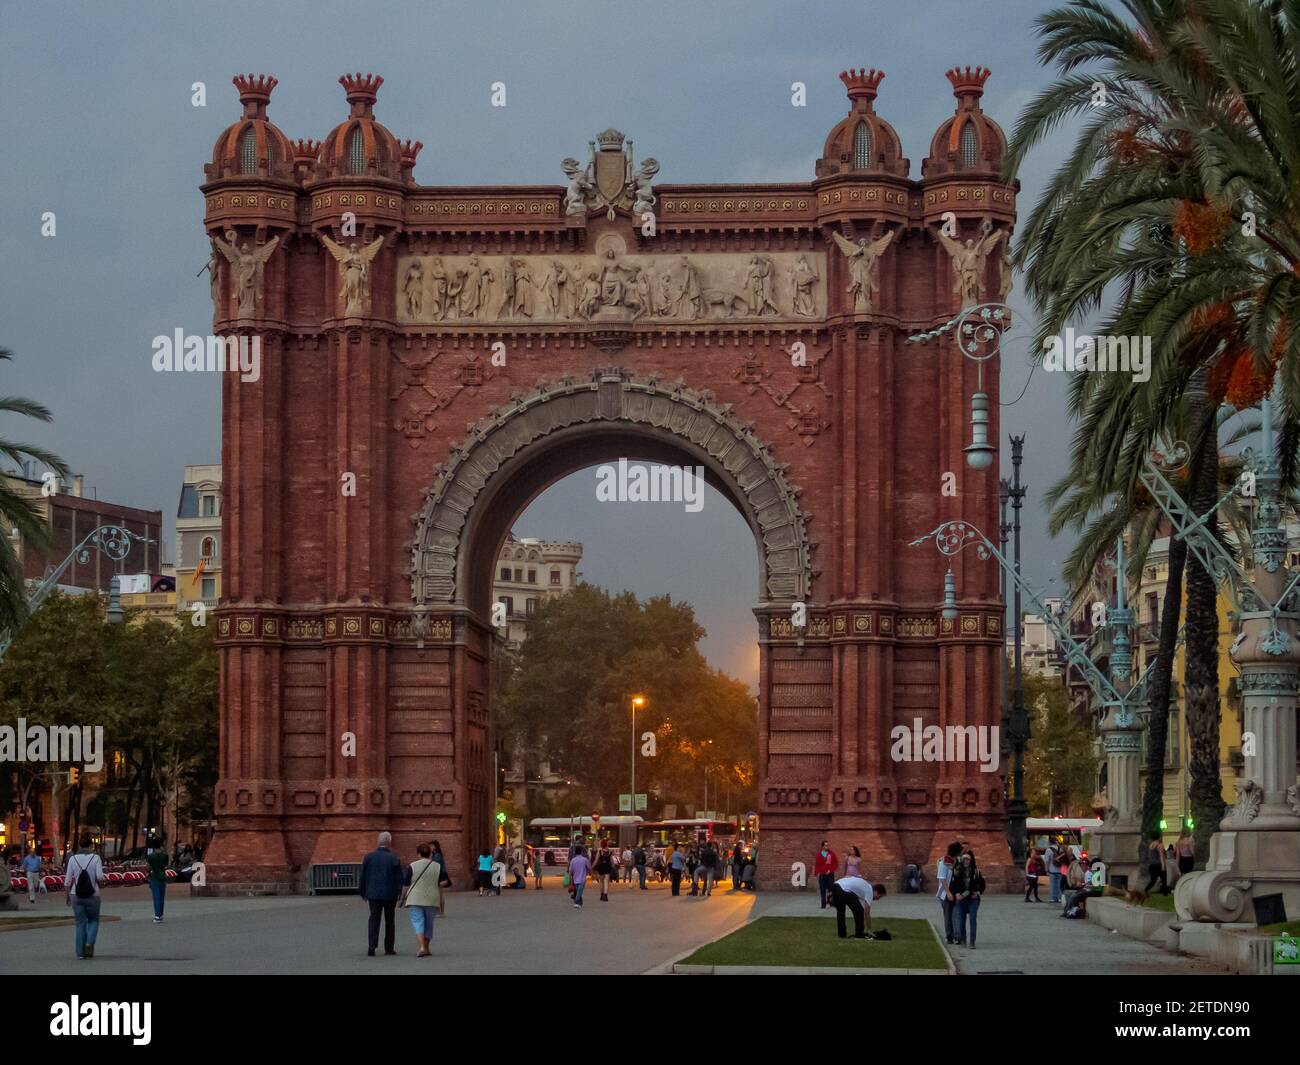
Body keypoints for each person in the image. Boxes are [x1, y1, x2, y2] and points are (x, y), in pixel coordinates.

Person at [359, 831, 404, 956]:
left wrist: (363, 892)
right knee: (389, 920)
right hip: (390, 894)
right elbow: (399, 878)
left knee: (374, 918)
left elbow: (363, 876)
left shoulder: (368, 857)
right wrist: (399, 893)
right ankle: (389, 948)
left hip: (373, 893)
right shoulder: (394, 858)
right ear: (389, 842)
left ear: (378, 842)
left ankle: (371, 946)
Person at [63, 833, 104, 960]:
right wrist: (100, 885)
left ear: (79, 845)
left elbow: (67, 881)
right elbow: (100, 877)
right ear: (91, 845)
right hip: (93, 894)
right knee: (94, 920)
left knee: (80, 923)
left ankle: (80, 953)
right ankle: (89, 943)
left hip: (76, 894)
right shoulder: (96, 858)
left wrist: (68, 897)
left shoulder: (72, 859)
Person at [401, 843, 445, 957]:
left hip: (415, 898)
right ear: (430, 853)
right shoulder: (437, 866)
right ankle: (426, 948)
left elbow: (406, 884)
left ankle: (421, 947)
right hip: (432, 898)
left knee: (417, 922)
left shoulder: (412, 866)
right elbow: (443, 882)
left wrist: (401, 898)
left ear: (418, 854)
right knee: (429, 924)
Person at [950, 851, 985, 948]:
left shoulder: (975, 871)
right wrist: (957, 894)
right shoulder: (957, 871)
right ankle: (963, 939)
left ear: (970, 860)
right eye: (964, 859)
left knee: (973, 920)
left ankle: (972, 942)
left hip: (972, 900)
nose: (966, 861)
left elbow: (982, 885)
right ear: (962, 860)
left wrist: (978, 893)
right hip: (961, 900)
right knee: (961, 920)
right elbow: (953, 885)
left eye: (968, 859)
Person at [830, 873, 874, 939]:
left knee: (840, 912)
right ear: (876, 891)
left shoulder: (860, 884)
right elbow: (866, 912)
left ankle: (842, 934)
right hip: (844, 889)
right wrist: (869, 929)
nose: (876, 899)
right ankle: (859, 933)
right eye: (879, 897)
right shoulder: (869, 889)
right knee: (859, 911)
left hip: (835, 886)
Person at [937, 842, 959, 941]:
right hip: (946, 893)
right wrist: (948, 893)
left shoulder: (957, 861)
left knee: (956, 914)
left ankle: (957, 935)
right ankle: (950, 936)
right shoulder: (944, 862)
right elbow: (942, 878)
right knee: (948, 915)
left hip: (956, 891)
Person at [146, 835, 169, 923]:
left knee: (156, 897)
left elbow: (148, 867)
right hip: (163, 877)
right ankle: (161, 915)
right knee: (162, 897)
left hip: (154, 877)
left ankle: (157, 916)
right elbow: (166, 866)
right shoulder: (165, 855)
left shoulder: (151, 856)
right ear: (161, 845)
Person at [814, 840, 839, 909]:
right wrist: (816, 873)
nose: (826, 847)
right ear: (822, 846)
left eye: (827, 845)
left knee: (831, 889)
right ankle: (823, 904)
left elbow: (835, 863)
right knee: (822, 890)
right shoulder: (819, 854)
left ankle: (830, 902)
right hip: (822, 875)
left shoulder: (831, 854)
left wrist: (830, 870)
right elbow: (817, 864)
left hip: (830, 875)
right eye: (825, 845)